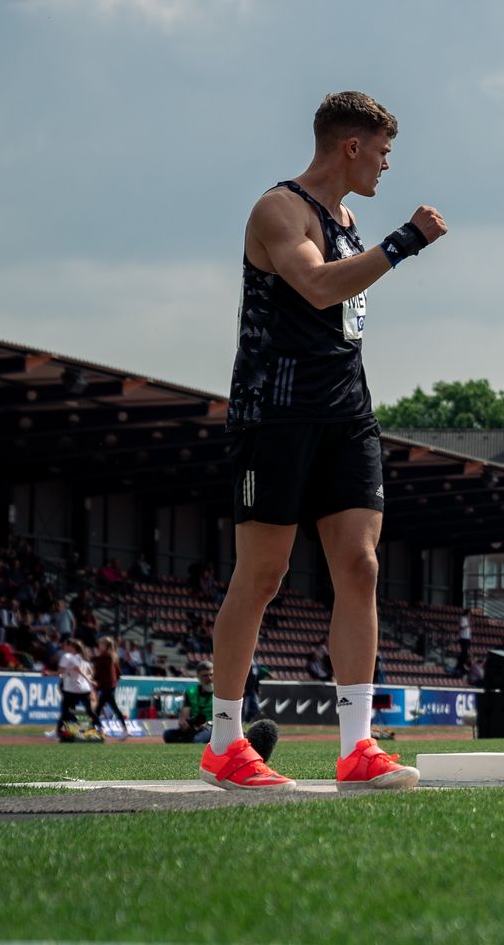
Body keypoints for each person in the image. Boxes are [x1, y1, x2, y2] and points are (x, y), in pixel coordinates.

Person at [204, 92, 443, 792]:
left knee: (361, 567)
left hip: (347, 414)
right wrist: (404, 242)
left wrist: (383, 242)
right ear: (350, 147)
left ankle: (358, 746)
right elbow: (311, 286)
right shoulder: (279, 209)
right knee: (264, 575)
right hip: (274, 415)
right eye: (383, 152)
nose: (386, 165)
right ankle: (224, 743)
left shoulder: (347, 218)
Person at [163, 661, 216, 744]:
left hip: (213, 726)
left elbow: (225, 715)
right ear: (198, 677)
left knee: (197, 740)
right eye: (205, 676)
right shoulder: (191, 692)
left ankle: (190, 739)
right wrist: (184, 724)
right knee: (168, 735)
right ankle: (190, 738)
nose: (209, 678)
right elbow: (184, 714)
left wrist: (208, 723)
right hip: (195, 725)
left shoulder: (221, 692)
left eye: (211, 675)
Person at [56, 638, 95, 736]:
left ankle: (62, 731)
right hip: (83, 688)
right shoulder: (83, 658)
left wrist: (88, 679)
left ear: (71, 647)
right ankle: (94, 727)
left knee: (67, 710)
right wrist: (89, 680)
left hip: (73, 688)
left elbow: (64, 671)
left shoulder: (69, 657)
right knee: (85, 710)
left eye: (66, 645)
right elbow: (90, 672)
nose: (65, 647)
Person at [91, 635, 123, 730]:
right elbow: (118, 673)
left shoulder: (105, 657)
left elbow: (99, 672)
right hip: (109, 687)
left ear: (105, 646)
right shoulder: (113, 656)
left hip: (106, 686)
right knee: (101, 708)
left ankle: (96, 727)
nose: (99, 646)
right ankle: (96, 727)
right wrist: (114, 683)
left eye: (101, 645)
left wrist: (95, 683)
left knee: (102, 708)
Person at [456, 607, 472, 675]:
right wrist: (468, 625)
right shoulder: (463, 619)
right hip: (463, 638)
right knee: (464, 652)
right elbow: (461, 627)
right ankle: (460, 665)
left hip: (467, 638)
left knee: (465, 653)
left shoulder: (467, 620)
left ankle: (462, 665)